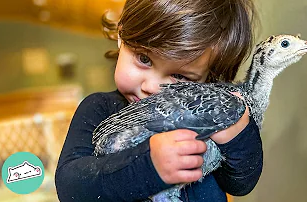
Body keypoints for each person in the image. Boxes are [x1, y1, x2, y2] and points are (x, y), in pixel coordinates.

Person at [55, 0, 263, 201]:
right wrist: (147, 166)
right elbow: (70, 187)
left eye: (180, 77)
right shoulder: (99, 108)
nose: (152, 87)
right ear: (121, 36)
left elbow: (240, 185)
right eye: (144, 59)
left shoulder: (208, 116)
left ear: (209, 78)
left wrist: (240, 137)